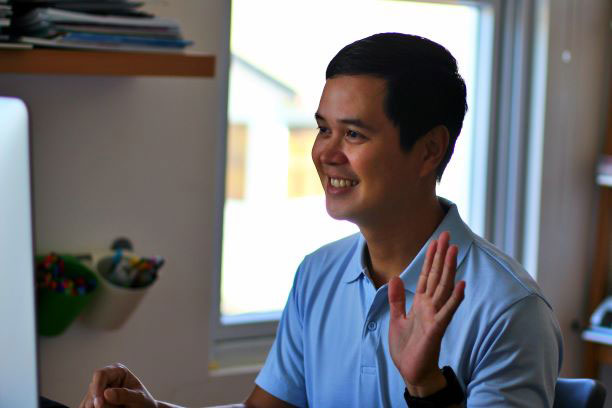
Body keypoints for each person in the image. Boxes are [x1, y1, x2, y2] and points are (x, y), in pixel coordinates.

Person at [79, 33, 562, 408]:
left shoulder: (508, 310)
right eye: (323, 129)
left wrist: (426, 385)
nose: (325, 153)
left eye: (353, 134)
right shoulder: (318, 274)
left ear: (430, 150)